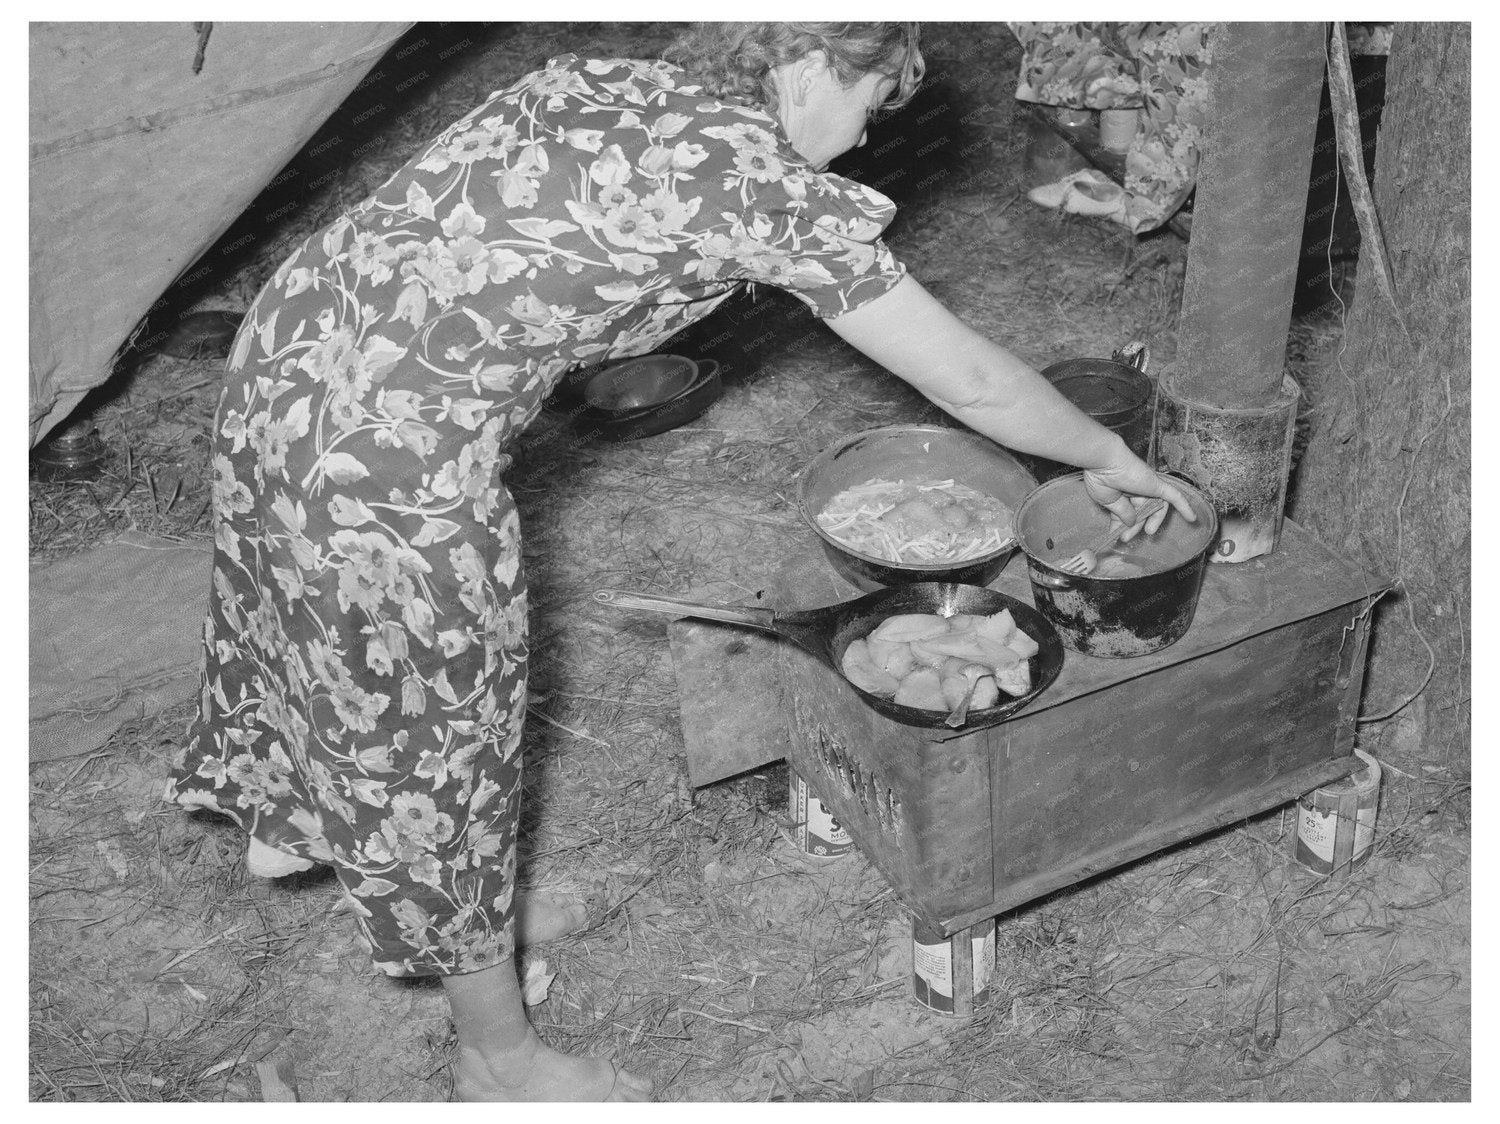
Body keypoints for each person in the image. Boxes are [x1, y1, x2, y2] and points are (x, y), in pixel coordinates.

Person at [166, 22, 1193, 1103]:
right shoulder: (759, 186)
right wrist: (1101, 448)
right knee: (446, 735)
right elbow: (972, 384)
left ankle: (326, 834)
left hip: (289, 354)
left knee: (316, 627)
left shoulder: (625, 83)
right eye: (871, 105)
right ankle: (499, 1057)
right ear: (814, 64)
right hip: (385, 463)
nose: (856, 144)